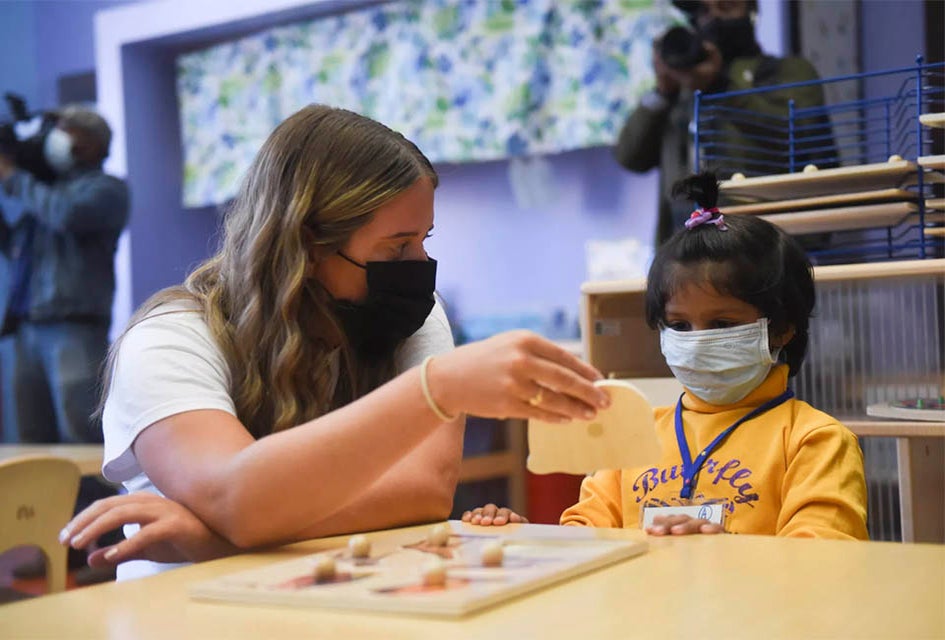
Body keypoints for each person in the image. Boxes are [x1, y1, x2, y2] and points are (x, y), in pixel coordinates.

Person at [58, 104, 612, 579]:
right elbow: (239, 499)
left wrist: (221, 538)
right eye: (396, 247)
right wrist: (435, 388)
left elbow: (422, 492)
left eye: (424, 239)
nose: (419, 265)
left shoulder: (406, 318)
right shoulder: (169, 341)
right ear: (306, 243)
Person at [465, 172, 868, 539]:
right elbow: (585, 536)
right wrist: (519, 537)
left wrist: (727, 551)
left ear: (782, 328)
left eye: (723, 324)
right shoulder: (632, 430)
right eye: (678, 325)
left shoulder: (815, 440)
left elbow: (824, 563)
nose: (697, 340)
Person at [0, 104, 130, 583]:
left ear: (90, 143)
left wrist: (13, 175)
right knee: (32, 451)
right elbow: (15, 247)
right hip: (27, 331)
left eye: (63, 129)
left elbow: (68, 215)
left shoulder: (106, 191)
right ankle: (61, 550)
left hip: (74, 331)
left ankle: (113, 548)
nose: (54, 137)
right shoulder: (42, 194)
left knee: (83, 446)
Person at [614, 0, 833, 245]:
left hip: (765, 247)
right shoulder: (682, 89)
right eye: (704, 11)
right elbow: (630, 157)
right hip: (687, 253)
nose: (714, 18)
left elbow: (800, 137)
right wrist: (663, 92)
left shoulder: (788, 72)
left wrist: (720, 84)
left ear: (751, 10)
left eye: (727, 6)